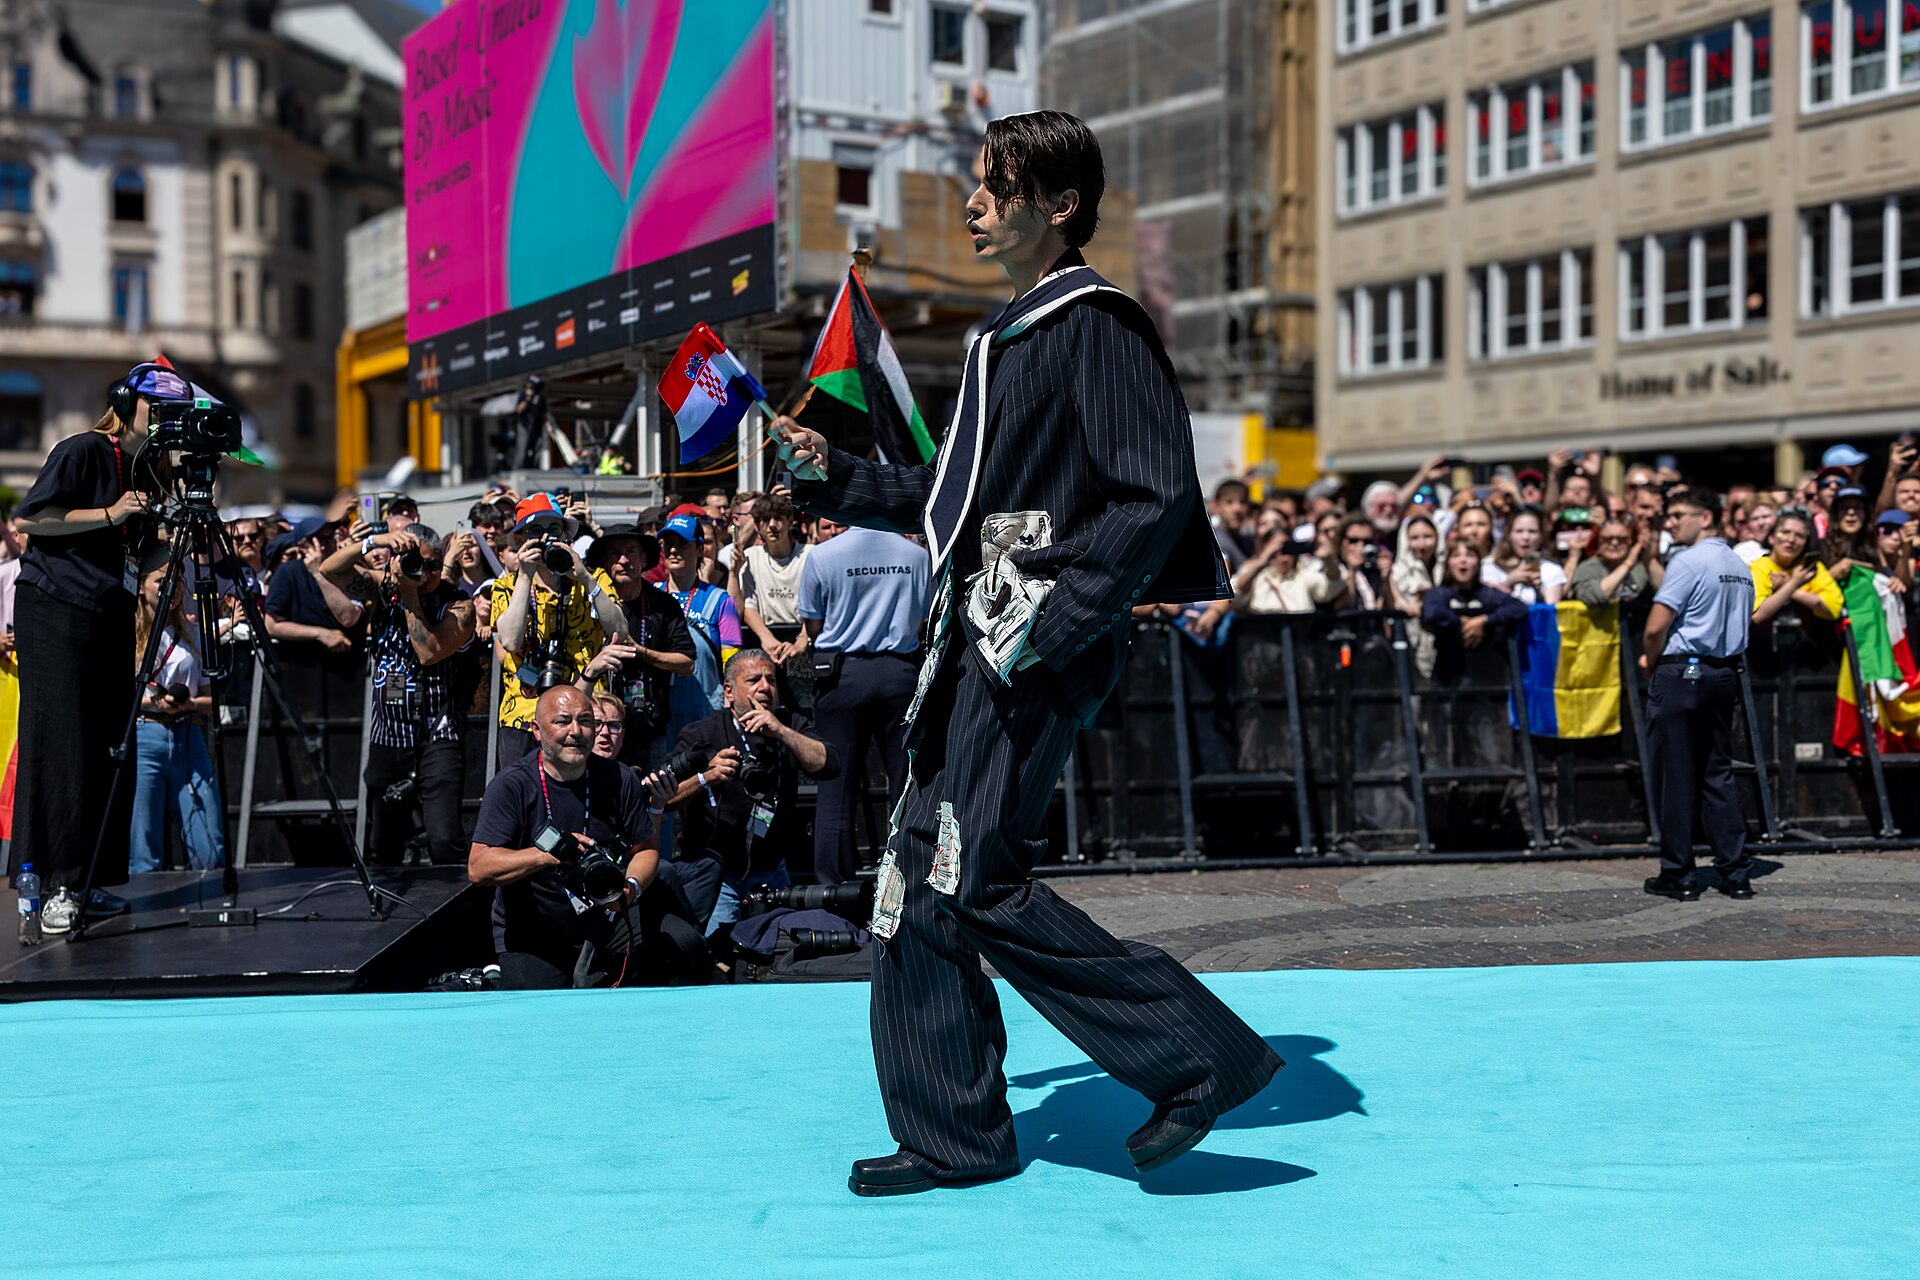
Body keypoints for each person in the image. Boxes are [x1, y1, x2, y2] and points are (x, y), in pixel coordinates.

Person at [775, 110, 1280, 1197]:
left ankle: (1195, 1059)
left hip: (1029, 651)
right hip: (969, 646)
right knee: (913, 883)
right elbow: (944, 501)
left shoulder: (1097, 324)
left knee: (968, 872)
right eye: (977, 182)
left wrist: (1048, 625)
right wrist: (828, 475)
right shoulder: (1008, 335)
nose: (972, 202)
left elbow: (1152, 498)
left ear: (1058, 204)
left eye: (995, 186)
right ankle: (953, 1130)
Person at [9, 361, 171, 930]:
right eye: (158, 409)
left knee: (110, 745)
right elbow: (31, 519)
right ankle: (54, 883)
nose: (165, 422)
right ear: (125, 405)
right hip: (55, 607)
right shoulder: (82, 449)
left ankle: (90, 879)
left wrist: (172, 538)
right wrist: (110, 511)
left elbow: (140, 554)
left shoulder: (154, 471)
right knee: (63, 745)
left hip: (108, 611)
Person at [466, 685, 705, 988]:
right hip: (534, 932)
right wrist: (545, 855)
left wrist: (631, 887)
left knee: (686, 945)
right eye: (563, 721)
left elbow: (646, 849)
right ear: (537, 731)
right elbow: (478, 867)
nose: (576, 731)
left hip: (607, 916)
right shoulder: (511, 785)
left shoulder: (620, 778)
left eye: (586, 721)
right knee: (543, 1014)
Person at [651, 650, 840, 933]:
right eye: (753, 680)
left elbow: (830, 764)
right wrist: (706, 777)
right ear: (728, 692)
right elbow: (663, 797)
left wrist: (781, 731)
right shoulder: (702, 733)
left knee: (777, 955)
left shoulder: (788, 723)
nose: (765, 687)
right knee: (718, 955)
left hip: (772, 872)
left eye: (771, 680)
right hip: (718, 877)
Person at [320, 525, 476, 866]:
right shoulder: (380, 589)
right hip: (389, 732)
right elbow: (328, 570)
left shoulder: (459, 604)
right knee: (384, 842)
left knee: (444, 838)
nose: (426, 573)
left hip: (439, 731)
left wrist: (409, 595)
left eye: (433, 565)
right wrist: (374, 542)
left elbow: (428, 652)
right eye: (415, 562)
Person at [1639, 489, 1757, 901]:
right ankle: (1736, 871)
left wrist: (1650, 660)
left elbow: (1656, 626)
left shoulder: (1688, 561)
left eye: (1677, 514)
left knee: (1675, 775)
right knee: (1718, 772)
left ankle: (1679, 872)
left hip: (1682, 670)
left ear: (1705, 517)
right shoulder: (1740, 567)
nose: (1669, 522)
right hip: (1724, 674)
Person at [797, 521, 929, 885]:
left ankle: (834, 890)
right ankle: (913, 880)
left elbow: (812, 624)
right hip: (900, 672)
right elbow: (923, 618)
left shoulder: (823, 555)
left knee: (835, 786)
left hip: (843, 674)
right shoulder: (916, 556)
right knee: (908, 785)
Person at [490, 494, 625, 769]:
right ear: (520, 541)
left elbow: (620, 630)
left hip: (586, 712)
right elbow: (511, 641)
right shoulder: (506, 586)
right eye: (536, 531)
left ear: (566, 535)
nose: (546, 538)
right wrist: (525, 576)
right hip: (525, 717)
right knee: (523, 803)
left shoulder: (594, 578)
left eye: (554, 530)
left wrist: (585, 578)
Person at [130, 543, 226, 874]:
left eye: (177, 578)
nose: (171, 587)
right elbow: (115, 695)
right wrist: (153, 702)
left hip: (188, 735)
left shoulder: (194, 634)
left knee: (209, 847)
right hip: (146, 736)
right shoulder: (129, 635)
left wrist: (186, 703)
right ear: (141, 587)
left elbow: (213, 699)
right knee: (144, 850)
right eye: (161, 580)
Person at [579, 523, 696, 768]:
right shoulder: (584, 604)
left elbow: (686, 664)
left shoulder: (664, 604)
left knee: (652, 797)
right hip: (599, 729)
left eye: (631, 552)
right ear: (603, 561)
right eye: (615, 553)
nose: (623, 560)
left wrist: (641, 652)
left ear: (643, 559)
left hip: (649, 728)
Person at [658, 512, 741, 749]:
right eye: (668, 544)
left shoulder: (719, 600)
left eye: (683, 544)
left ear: (699, 550)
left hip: (706, 711)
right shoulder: (651, 595)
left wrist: (730, 702)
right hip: (662, 715)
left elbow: (732, 659)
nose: (674, 551)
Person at [1420, 538, 1528, 681]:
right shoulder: (1439, 594)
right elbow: (1432, 611)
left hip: (1487, 677)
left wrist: (1484, 620)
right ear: (1448, 563)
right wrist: (1460, 622)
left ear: (1478, 563)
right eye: (1456, 556)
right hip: (1449, 677)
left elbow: (1519, 608)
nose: (1463, 560)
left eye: (1470, 555)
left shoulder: (1488, 594)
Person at [734, 492, 812, 664]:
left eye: (778, 518)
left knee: (802, 689)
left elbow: (819, 603)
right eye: (765, 520)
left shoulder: (810, 555)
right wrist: (766, 637)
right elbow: (749, 605)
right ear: (756, 525)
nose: (772, 525)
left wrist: (803, 639)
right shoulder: (749, 557)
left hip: (803, 638)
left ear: (790, 521)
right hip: (765, 638)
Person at [263, 517, 362, 653]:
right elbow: (272, 625)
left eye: (330, 537)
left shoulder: (349, 570)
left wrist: (319, 575)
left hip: (347, 663)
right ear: (304, 547)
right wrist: (320, 634)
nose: (327, 545)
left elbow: (348, 617)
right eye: (320, 540)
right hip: (303, 664)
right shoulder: (288, 572)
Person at [1749, 511, 1841, 626]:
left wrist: (1791, 588)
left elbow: (1834, 607)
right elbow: (1757, 616)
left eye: (1800, 536)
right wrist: (1793, 584)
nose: (1791, 540)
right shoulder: (1759, 568)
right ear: (1771, 538)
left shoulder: (1810, 567)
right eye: (1785, 532)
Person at [1482, 507, 1566, 604]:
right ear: (1509, 534)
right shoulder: (1489, 565)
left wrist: (1538, 589)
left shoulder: (1552, 570)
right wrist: (1509, 583)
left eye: (1532, 531)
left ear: (1541, 536)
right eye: (1519, 531)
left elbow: (1549, 610)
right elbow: (1487, 605)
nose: (1525, 537)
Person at [1568, 518, 1654, 609]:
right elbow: (1594, 597)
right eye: (1607, 539)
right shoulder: (1587, 568)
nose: (1614, 543)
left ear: (1631, 541)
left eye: (1622, 539)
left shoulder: (1640, 568)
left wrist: (1646, 555)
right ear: (1598, 541)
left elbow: (1664, 588)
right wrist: (1627, 564)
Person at [1209, 479, 1253, 571]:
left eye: (1242, 502)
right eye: (1229, 502)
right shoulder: (1214, 542)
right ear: (1216, 506)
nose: (1237, 509)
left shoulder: (1249, 539)